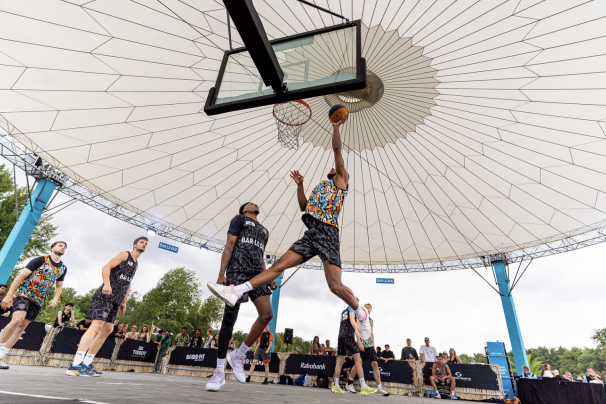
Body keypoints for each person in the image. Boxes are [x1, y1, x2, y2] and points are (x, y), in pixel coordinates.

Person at [209, 115, 371, 337]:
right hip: (311, 233)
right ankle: (235, 291)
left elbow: (336, 150)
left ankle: (361, 313)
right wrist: (301, 185)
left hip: (328, 232)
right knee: (278, 266)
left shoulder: (341, 182)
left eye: (337, 168)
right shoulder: (320, 188)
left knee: (335, 286)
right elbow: (304, 207)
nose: (334, 168)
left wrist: (335, 128)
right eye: (333, 169)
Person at [205, 202, 273, 392]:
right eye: (249, 203)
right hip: (238, 270)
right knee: (229, 318)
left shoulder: (264, 230)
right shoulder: (239, 219)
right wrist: (222, 273)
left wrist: (267, 277)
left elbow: (261, 256)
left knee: (267, 315)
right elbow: (230, 245)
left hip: (257, 275)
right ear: (244, 209)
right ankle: (219, 372)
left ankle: (239, 354)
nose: (254, 203)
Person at [66, 236, 148, 377]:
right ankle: (76, 364)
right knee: (96, 326)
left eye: (146, 243)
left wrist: (124, 302)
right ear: (134, 245)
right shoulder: (124, 255)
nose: (144, 244)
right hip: (105, 295)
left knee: (107, 330)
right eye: (141, 242)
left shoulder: (136, 264)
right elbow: (106, 267)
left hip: (116, 300)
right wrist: (107, 284)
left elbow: (128, 284)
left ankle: (87, 363)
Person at [0, 241, 68, 370]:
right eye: (60, 245)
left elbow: (59, 286)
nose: (63, 247)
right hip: (24, 293)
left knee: (21, 327)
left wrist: (55, 299)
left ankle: (1, 356)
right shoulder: (41, 260)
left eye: (65, 247)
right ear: (52, 248)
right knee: (17, 320)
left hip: (39, 299)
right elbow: (20, 276)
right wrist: (9, 295)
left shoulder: (63, 268)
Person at [331, 303, 375, 396]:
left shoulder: (343, 311)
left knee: (340, 361)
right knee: (358, 359)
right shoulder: (352, 308)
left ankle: (336, 386)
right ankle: (363, 386)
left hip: (340, 336)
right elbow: (351, 318)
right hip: (348, 335)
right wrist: (356, 330)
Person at [357, 303, 389, 396]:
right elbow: (357, 330)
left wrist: (374, 345)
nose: (367, 309)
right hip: (362, 344)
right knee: (358, 365)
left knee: (375, 364)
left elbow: (371, 332)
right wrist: (359, 343)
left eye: (369, 308)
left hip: (370, 345)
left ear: (371, 309)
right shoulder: (360, 318)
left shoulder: (371, 320)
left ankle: (379, 388)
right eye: (366, 307)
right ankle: (349, 383)